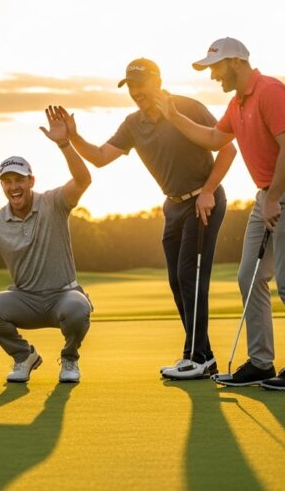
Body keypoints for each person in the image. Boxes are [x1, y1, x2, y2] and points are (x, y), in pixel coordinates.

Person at [52, 58, 237, 380]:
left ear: (158, 81)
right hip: (173, 207)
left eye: (140, 84)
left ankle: (195, 356)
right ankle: (202, 357)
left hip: (203, 201)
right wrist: (71, 138)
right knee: (178, 282)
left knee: (190, 278)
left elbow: (227, 149)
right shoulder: (133, 124)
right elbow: (99, 158)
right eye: (131, 86)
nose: (136, 92)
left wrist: (209, 191)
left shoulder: (187, 107)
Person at [162, 37, 285, 390]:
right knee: (249, 277)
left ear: (235, 62)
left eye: (215, 68)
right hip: (269, 194)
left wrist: (274, 198)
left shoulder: (271, 91)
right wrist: (174, 117)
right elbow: (213, 138)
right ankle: (261, 363)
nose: (213, 76)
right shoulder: (237, 104)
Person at [0, 108, 92, 383]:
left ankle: (69, 358)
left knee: (78, 309)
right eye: (7, 182)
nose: (13, 186)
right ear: (2, 186)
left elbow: (83, 180)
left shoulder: (54, 202)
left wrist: (64, 143)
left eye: (19, 179)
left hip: (62, 295)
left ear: (31, 181)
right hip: (25, 300)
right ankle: (24, 356)